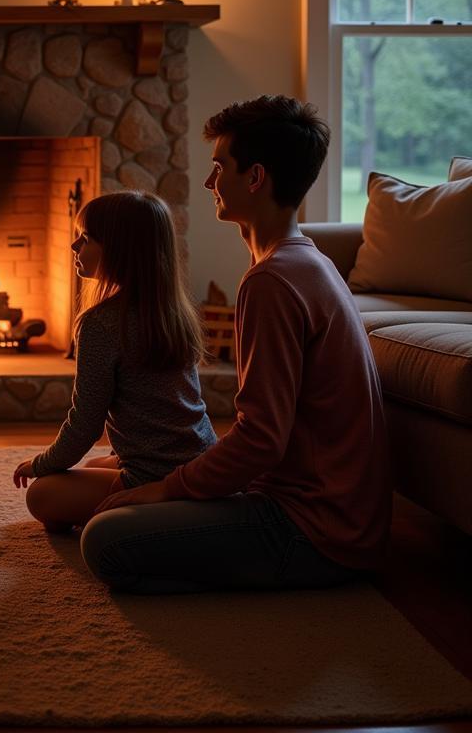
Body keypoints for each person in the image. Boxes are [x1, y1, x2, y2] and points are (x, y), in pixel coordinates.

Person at [80, 95, 391, 593]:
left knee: (105, 541)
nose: (208, 183)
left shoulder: (272, 281)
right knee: (106, 477)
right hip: (337, 518)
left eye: (218, 167)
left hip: (310, 530)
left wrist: (167, 490)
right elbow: (270, 437)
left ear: (255, 177)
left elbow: (261, 440)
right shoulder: (307, 260)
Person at [12, 191, 216, 529]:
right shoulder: (171, 312)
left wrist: (41, 464)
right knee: (91, 468)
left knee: (42, 494)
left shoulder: (102, 324)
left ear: (121, 251)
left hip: (154, 472)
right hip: (199, 460)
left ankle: (155, 506)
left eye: (86, 239)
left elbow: (85, 425)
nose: (74, 246)